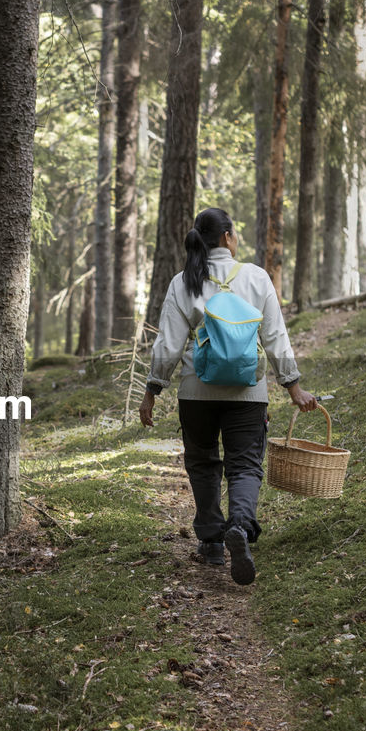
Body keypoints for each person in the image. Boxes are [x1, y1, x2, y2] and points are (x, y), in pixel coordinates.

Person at [139, 207, 316, 585]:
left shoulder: (184, 281)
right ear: (228, 238)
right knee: (246, 464)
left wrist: (153, 389)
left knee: (203, 462)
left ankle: (212, 542)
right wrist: (293, 386)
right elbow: (275, 336)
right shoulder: (255, 277)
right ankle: (239, 525)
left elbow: (168, 343)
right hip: (248, 393)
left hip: (196, 392)